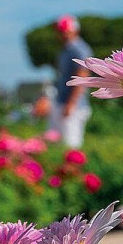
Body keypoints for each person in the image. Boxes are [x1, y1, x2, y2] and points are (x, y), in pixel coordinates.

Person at [49, 14, 92, 149]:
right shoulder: (65, 50)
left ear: (75, 30)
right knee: (55, 141)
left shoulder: (79, 49)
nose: (62, 34)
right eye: (60, 31)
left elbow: (82, 76)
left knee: (71, 145)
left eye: (65, 31)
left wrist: (71, 103)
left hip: (73, 105)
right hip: (62, 102)